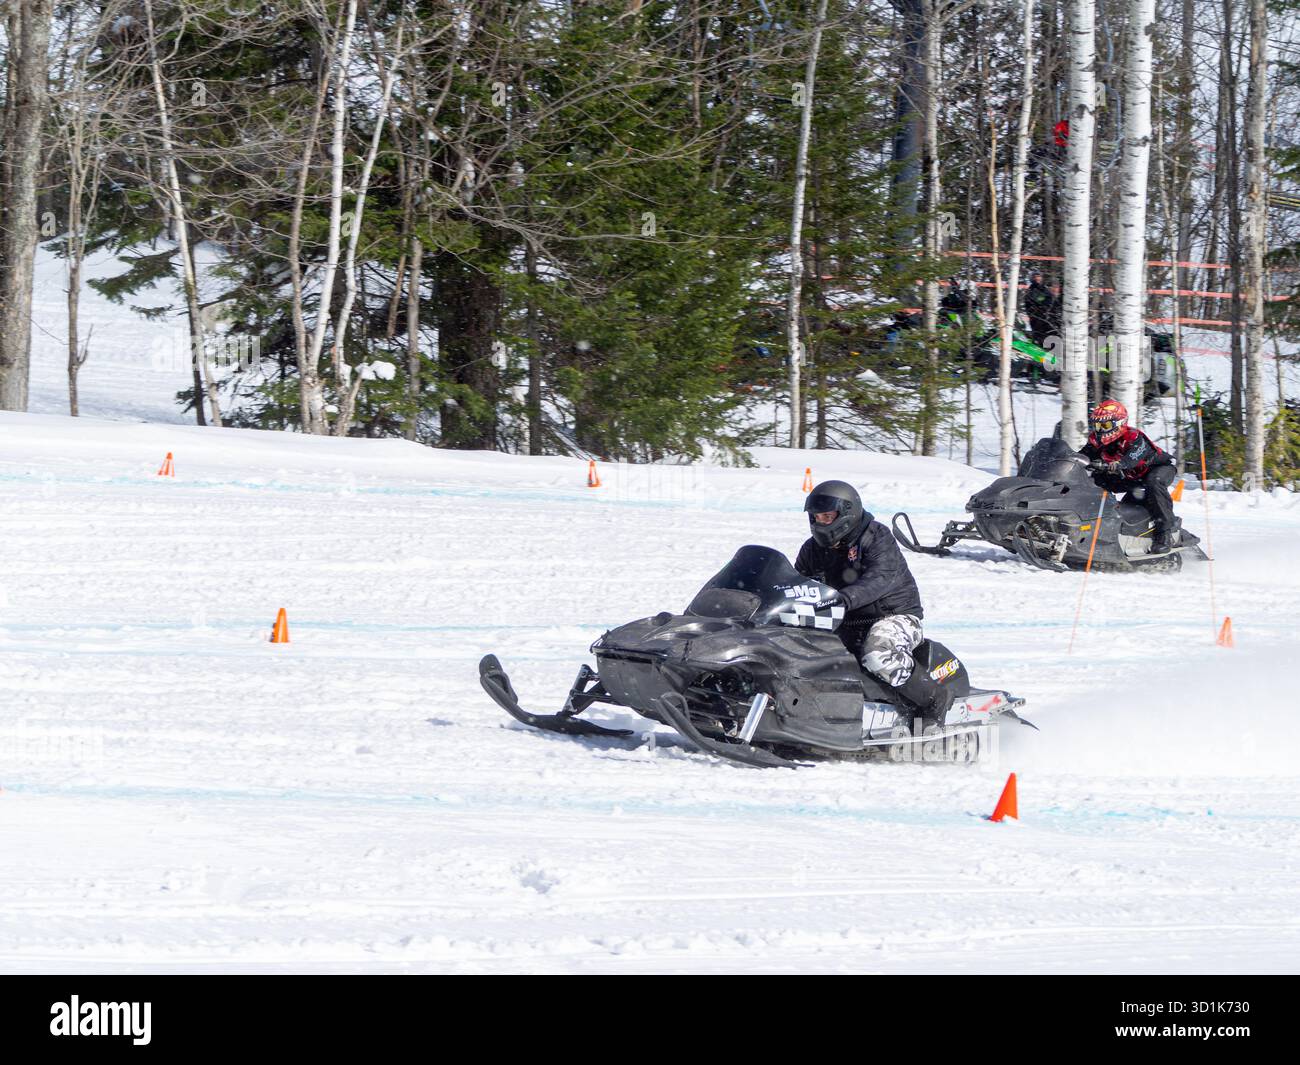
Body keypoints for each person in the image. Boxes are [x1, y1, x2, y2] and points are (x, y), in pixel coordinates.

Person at [795, 480, 953, 728]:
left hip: (893, 617)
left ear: (847, 514)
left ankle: (933, 701)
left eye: (827, 516)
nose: (821, 522)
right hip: (841, 620)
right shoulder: (812, 549)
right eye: (816, 517)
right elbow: (797, 583)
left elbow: (880, 578)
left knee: (879, 653)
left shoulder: (877, 537)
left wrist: (844, 598)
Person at [1080, 400, 1180, 551]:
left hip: (1158, 468)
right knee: (1095, 481)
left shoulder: (1133, 437)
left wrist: (1117, 464)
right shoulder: (1096, 441)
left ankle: (1164, 534)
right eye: (1097, 425)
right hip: (1132, 477)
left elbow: (1132, 458)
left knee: (1154, 482)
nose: (1100, 430)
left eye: (1105, 426)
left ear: (1119, 423)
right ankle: (1091, 524)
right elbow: (1081, 456)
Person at [1024, 271, 1055, 346]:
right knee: (1036, 333)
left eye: (1039, 276)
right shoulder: (1030, 290)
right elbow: (1027, 303)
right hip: (1034, 317)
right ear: (1032, 278)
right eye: (1035, 277)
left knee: (1045, 333)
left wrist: (1045, 308)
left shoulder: (1045, 289)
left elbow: (1050, 299)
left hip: (1044, 316)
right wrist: (1031, 312)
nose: (1037, 278)